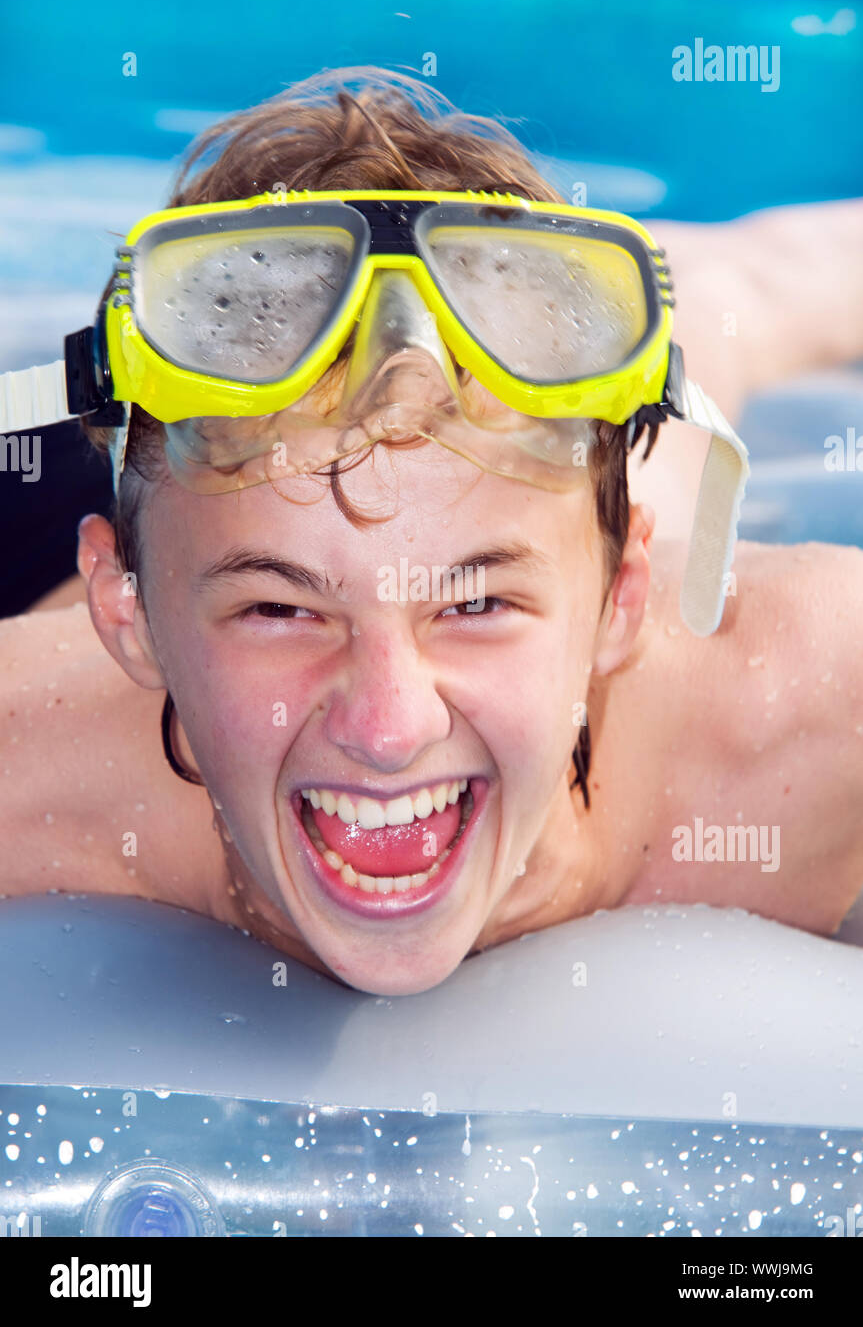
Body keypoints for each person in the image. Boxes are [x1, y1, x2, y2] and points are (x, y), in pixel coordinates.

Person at [1, 66, 862, 999]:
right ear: (124, 611)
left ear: (625, 598)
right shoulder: (32, 770)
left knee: (726, 314)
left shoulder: (810, 713)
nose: (388, 730)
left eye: (477, 602)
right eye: (282, 610)